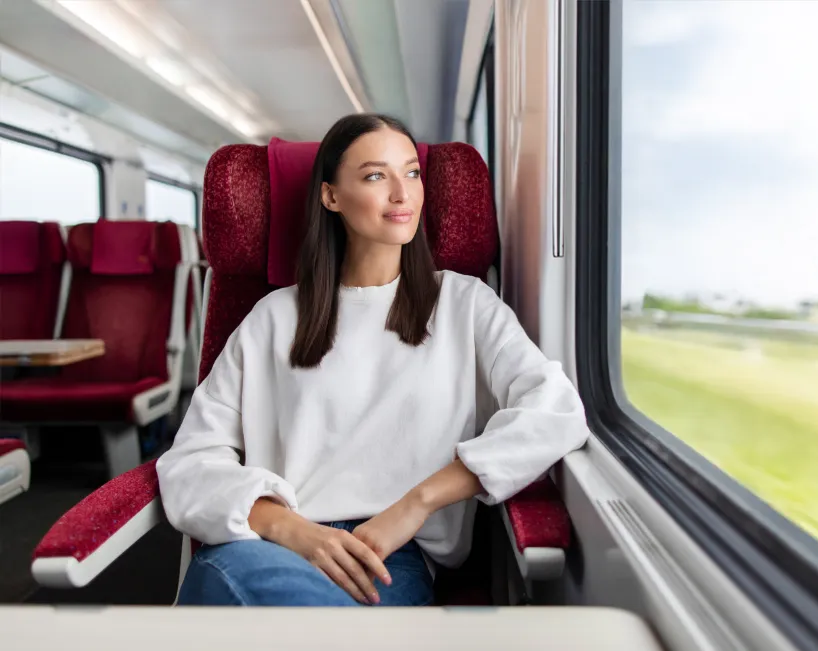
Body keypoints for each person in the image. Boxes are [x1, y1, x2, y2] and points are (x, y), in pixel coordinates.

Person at [157, 113, 590, 607]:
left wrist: (417, 503)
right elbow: (190, 461)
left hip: (386, 557)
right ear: (331, 197)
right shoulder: (273, 317)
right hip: (272, 543)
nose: (402, 194)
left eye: (411, 172)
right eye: (375, 176)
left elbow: (556, 410)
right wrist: (289, 528)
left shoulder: (463, 304)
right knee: (235, 583)